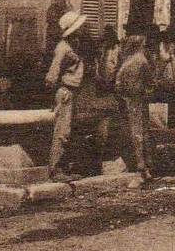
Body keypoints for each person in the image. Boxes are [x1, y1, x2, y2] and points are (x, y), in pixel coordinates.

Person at [44, 10, 87, 182]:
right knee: (62, 130)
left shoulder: (71, 46)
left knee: (67, 130)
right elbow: (52, 73)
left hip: (71, 90)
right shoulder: (63, 48)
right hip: (66, 91)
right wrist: (56, 90)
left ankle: (63, 166)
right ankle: (55, 169)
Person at [115, 25, 158, 181]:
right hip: (139, 100)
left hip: (129, 100)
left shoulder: (127, 61)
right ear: (141, 45)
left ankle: (143, 165)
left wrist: (125, 94)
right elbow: (152, 82)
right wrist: (148, 91)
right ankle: (144, 166)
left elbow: (118, 83)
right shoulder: (142, 61)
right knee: (142, 132)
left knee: (136, 131)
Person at [95, 24, 121, 92]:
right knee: (105, 69)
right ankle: (106, 85)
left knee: (111, 68)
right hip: (107, 54)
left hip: (112, 54)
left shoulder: (114, 44)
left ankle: (108, 85)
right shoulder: (107, 39)